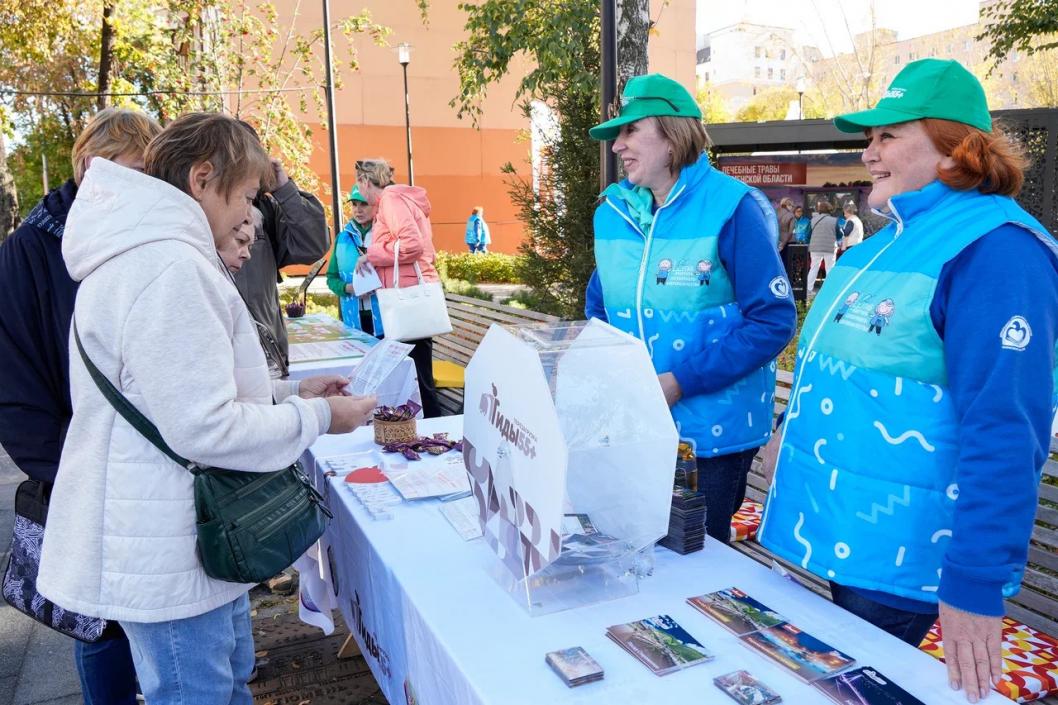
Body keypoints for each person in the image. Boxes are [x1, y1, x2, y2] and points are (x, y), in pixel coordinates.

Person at [36, 112, 377, 705]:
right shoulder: (169, 266)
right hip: (166, 546)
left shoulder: (149, 254)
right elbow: (206, 426)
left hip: (166, 534)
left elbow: (180, 395)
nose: (248, 214)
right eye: (246, 195)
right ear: (201, 178)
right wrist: (322, 418)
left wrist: (295, 395)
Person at [758, 58, 1058, 702]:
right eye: (868, 139)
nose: (868, 154)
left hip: (904, 556)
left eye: (888, 135)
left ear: (958, 150)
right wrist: (790, 428)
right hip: (843, 534)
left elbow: (1006, 429)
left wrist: (975, 584)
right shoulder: (881, 246)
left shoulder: (997, 250)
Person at [585, 73, 796, 544]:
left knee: (694, 562)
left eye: (629, 131)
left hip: (710, 439)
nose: (617, 146)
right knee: (635, 549)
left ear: (671, 133)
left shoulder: (732, 207)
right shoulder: (612, 211)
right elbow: (600, 309)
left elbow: (773, 320)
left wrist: (680, 382)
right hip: (636, 424)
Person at [0, 107, 162, 705]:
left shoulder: (141, 234)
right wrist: (65, 471)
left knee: (151, 616)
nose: (144, 183)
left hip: (144, 462)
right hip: (78, 466)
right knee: (101, 624)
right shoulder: (29, 251)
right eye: (135, 169)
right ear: (93, 166)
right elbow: (12, 379)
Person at [232, 124, 329, 375]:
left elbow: (313, 245)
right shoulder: (195, 208)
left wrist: (284, 190)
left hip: (268, 356)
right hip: (226, 359)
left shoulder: (265, 207)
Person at [355, 158, 443, 418]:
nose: (360, 192)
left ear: (366, 181)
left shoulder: (392, 201)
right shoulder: (394, 200)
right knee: (417, 373)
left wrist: (372, 254)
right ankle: (427, 430)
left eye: (359, 185)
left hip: (408, 298)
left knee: (418, 376)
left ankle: (433, 431)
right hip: (409, 294)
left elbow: (412, 246)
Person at [326, 186, 381, 335]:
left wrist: (374, 287)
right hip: (352, 322)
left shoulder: (384, 236)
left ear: (377, 205)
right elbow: (331, 278)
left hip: (384, 320)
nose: (358, 209)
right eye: (354, 204)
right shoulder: (342, 238)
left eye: (364, 204)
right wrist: (347, 288)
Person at [806, 200, 838, 295]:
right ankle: (830, 290)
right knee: (830, 268)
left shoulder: (812, 220)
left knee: (814, 267)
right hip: (830, 247)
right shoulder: (834, 220)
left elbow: (807, 234)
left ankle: (808, 289)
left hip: (815, 247)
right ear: (829, 210)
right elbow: (840, 234)